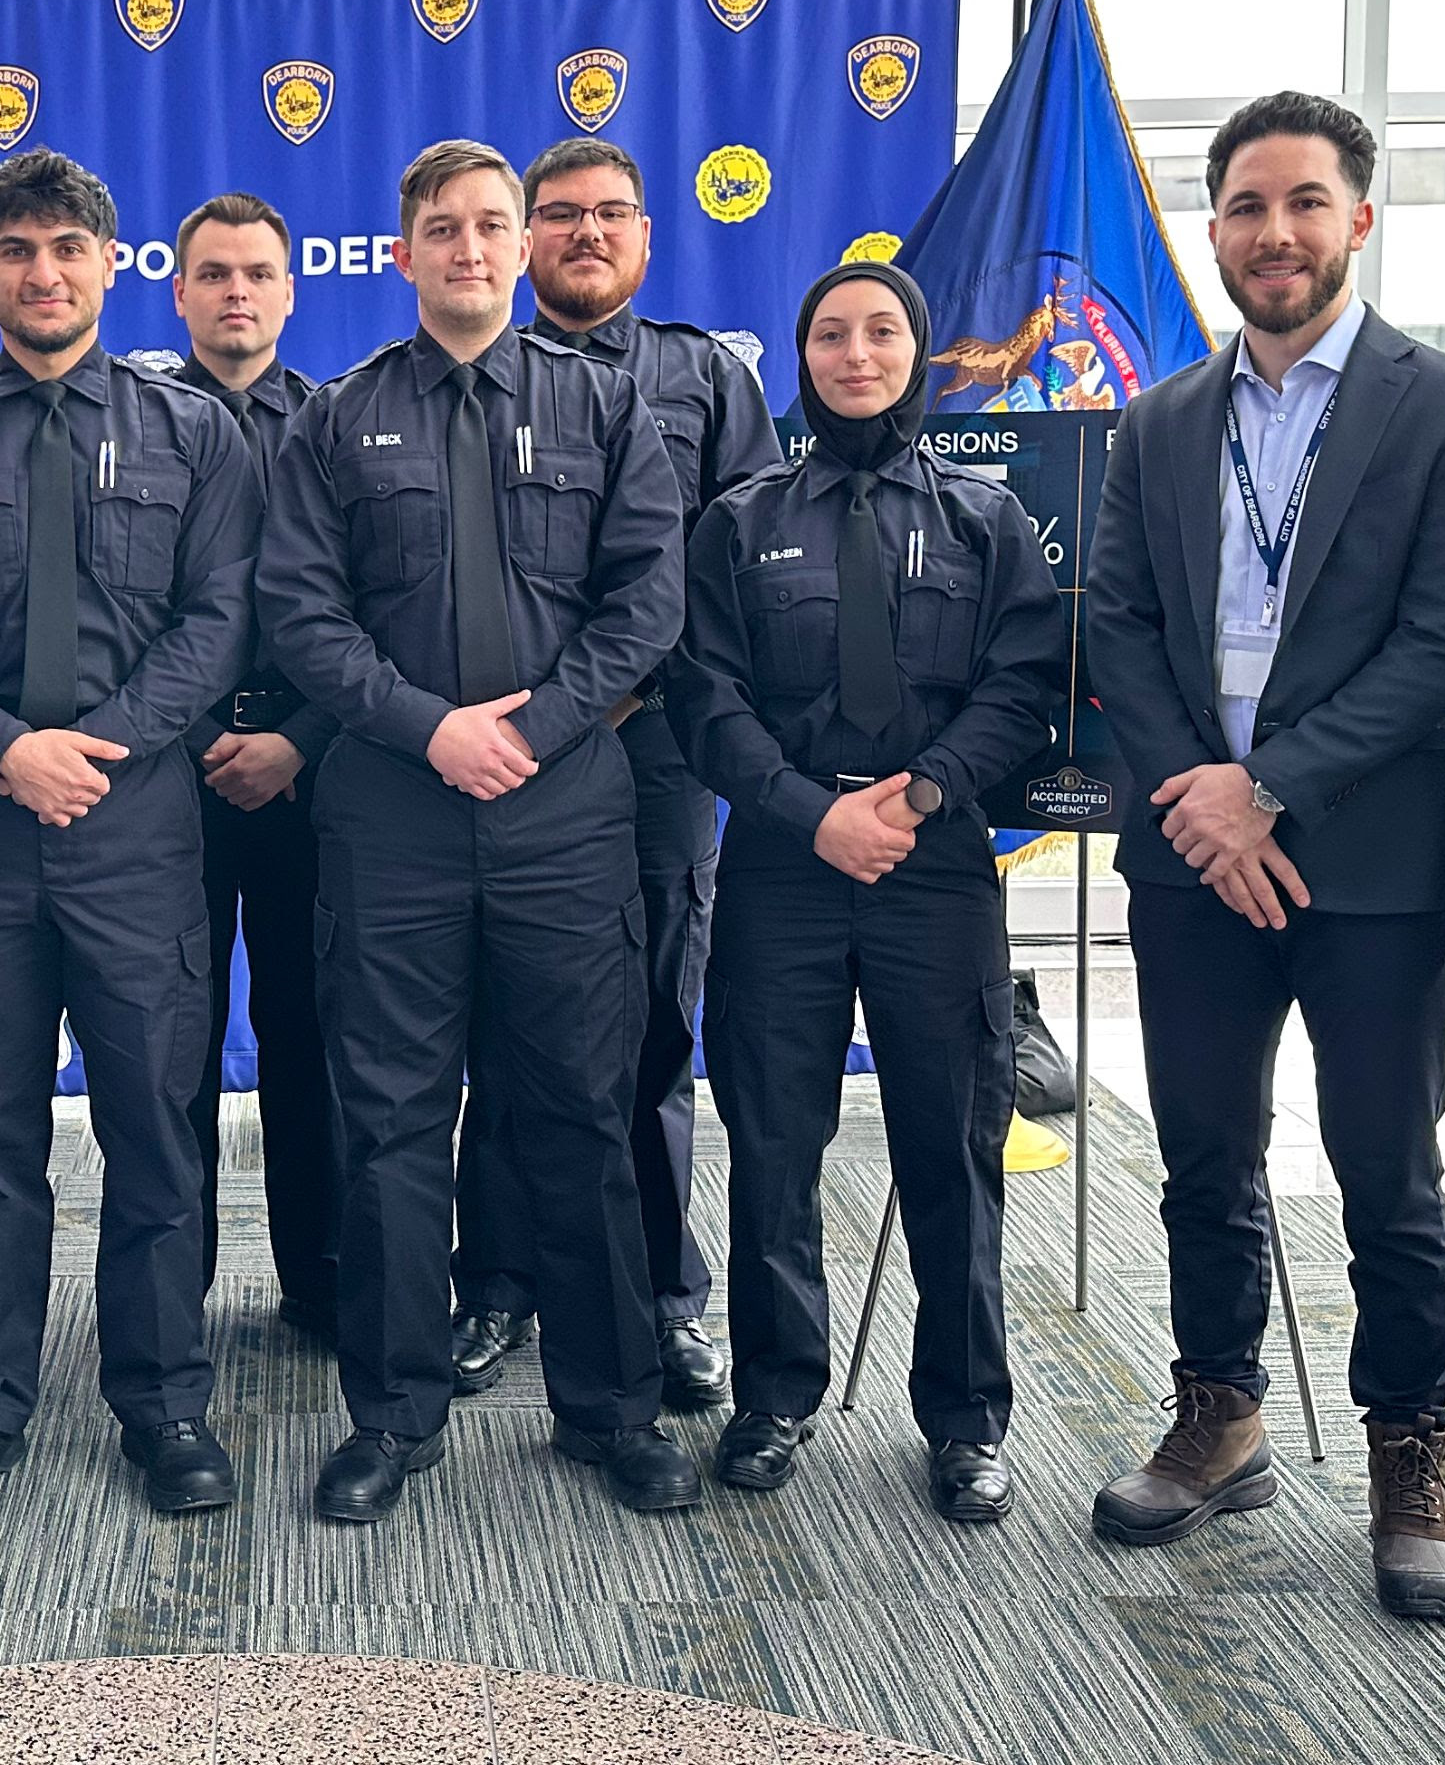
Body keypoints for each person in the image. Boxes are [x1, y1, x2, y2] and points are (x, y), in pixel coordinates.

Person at [1079, 91, 1445, 1622]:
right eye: (1245, 205)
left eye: (1304, 202)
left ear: (1358, 218)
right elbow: (1118, 629)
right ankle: (1220, 1413)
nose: (1274, 232)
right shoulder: (1157, 420)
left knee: (1384, 1170)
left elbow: (1444, 641)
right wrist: (1196, 806)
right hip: (1191, 860)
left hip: (1372, 859)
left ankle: (1408, 1449)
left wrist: (1263, 785)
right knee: (1201, 1154)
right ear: (1211, 227)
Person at [259, 136, 695, 1523]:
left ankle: (609, 1405)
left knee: (577, 1115)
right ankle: (390, 1414)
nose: (465, 248)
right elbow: (299, 612)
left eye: (488, 226)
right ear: (399, 254)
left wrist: (532, 725)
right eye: (437, 227)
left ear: (519, 248)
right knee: (387, 1124)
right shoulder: (335, 418)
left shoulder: (606, 406)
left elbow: (646, 599)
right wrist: (423, 724)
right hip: (387, 821)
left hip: (562, 817)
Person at [0, 148, 259, 1524]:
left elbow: (218, 618)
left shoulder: (190, 433)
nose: (43, 273)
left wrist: (100, 747)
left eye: (66, 249)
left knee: (153, 1128)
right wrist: (3, 748)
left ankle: (163, 1400)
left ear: (109, 261)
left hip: (136, 827)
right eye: (15, 251)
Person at [670, 262, 1062, 1514]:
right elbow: (705, 699)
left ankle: (963, 1416)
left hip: (936, 865)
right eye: (831, 332)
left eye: (881, 330)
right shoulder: (738, 519)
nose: (856, 351)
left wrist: (924, 792)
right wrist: (814, 811)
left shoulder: (985, 520)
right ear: (802, 357)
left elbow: (1023, 687)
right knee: (776, 1139)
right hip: (786, 859)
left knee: (952, 1144)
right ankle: (775, 1393)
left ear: (918, 351)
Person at [452, 137, 783, 1406]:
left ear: (648, 237)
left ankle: (658, 1292)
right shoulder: (471, 374)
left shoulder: (704, 373)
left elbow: (756, 562)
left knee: (648, 1027)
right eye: (560, 215)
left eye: (611, 214)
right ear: (523, 237)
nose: (586, 233)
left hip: (655, 751)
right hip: (498, 747)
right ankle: (496, 1286)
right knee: (496, 1019)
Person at [169, 191, 339, 1338]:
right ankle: (168, 1291)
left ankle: (323, 1281)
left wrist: (298, 741)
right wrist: (186, 738)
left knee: (313, 1036)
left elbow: (376, 606)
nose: (237, 291)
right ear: (178, 291)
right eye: (215, 272)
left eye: (258, 272)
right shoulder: (126, 419)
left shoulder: (338, 425)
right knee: (166, 1046)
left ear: (289, 290)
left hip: (314, 771)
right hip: (165, 779)